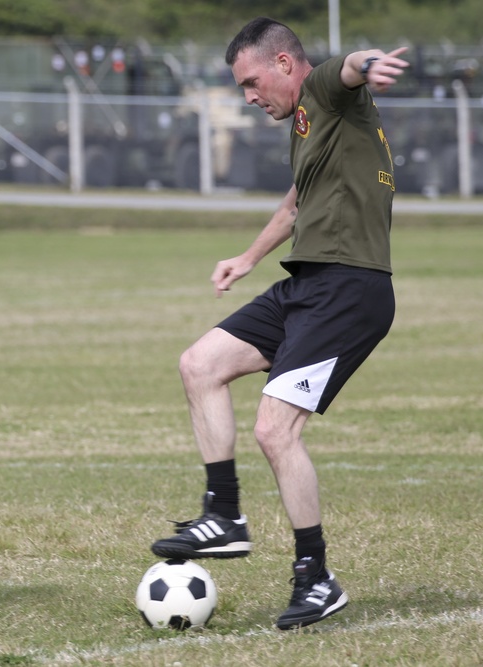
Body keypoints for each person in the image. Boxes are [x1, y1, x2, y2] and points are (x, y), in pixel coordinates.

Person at [150, 17, 409, 630]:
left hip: (350, 287)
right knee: (200, 364)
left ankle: (315, 578)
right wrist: (246, 259)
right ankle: (225, 516)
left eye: (250, 82)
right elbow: (295, 204)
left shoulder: (324, 90)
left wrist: (368, 63)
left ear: (285, 65)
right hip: (309, 283)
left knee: (275, 429)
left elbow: (349, 66)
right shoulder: (304, 123)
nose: (248, 96)